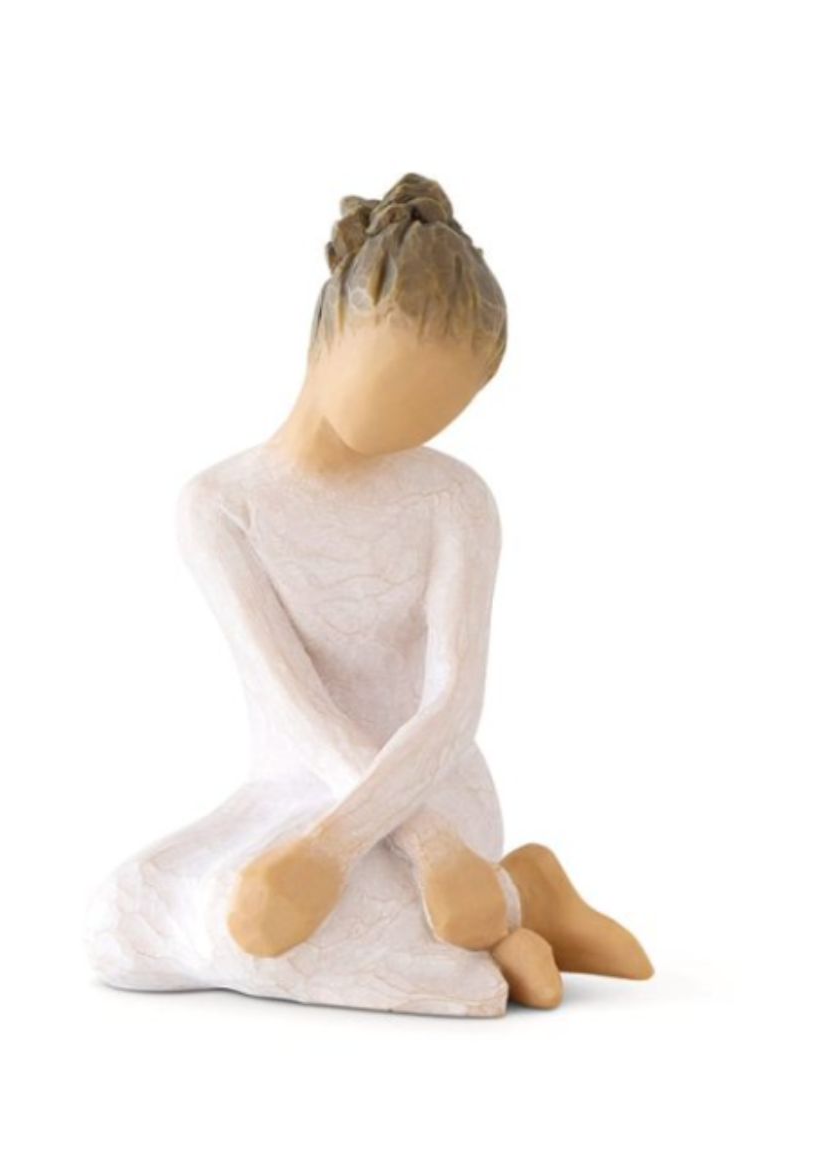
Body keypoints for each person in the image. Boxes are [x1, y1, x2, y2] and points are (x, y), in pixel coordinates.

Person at [86, 174, 652, 1015]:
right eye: (398, 383)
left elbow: (453, 702)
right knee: (121, 924)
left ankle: (493, 925)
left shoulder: (453, 499)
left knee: (271, 938)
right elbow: (294, 703)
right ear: (331, 336)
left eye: (444, 406)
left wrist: (406, 841)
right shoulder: (221, 507)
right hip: (297, 795)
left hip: (431, 787)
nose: (413, 425)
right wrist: (374, 850)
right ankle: (515, 904)